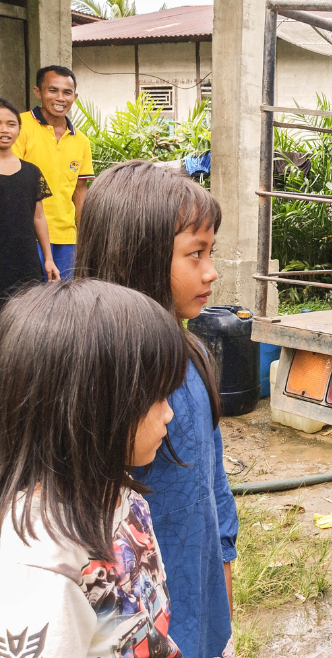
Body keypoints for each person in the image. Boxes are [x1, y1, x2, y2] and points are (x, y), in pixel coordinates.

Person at [75, 160, 238, 658]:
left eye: (211, 252)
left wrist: (224, 568)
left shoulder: (194, 353)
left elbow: (212, 480)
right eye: (195, 254)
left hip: (199, 592)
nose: (211, 272)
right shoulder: (108, 379)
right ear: (137, 257)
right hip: (140, 618)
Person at [0, 279, 189, 657]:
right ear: (92, 406)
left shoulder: (119, 492)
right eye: (156, 396)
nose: (169, 413)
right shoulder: (43, 567)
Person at [13, 65, 95, 280]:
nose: (60, 98)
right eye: (52, 90)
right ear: (37, 92)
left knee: (64, 296)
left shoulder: (81, 140)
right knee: (27, 295)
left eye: (67, 92)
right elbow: (11, 182)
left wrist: (85, 234)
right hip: (26, 234)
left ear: (74, 97)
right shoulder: (18, 126)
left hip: (67, 238)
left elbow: (80, 192)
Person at [0, 96, 59, 305]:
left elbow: (39, 217)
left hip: (25, 260)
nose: (4, 130)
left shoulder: (31, 172)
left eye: (11, 124)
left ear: (19, 129)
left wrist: (48, 259)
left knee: (25, 311)